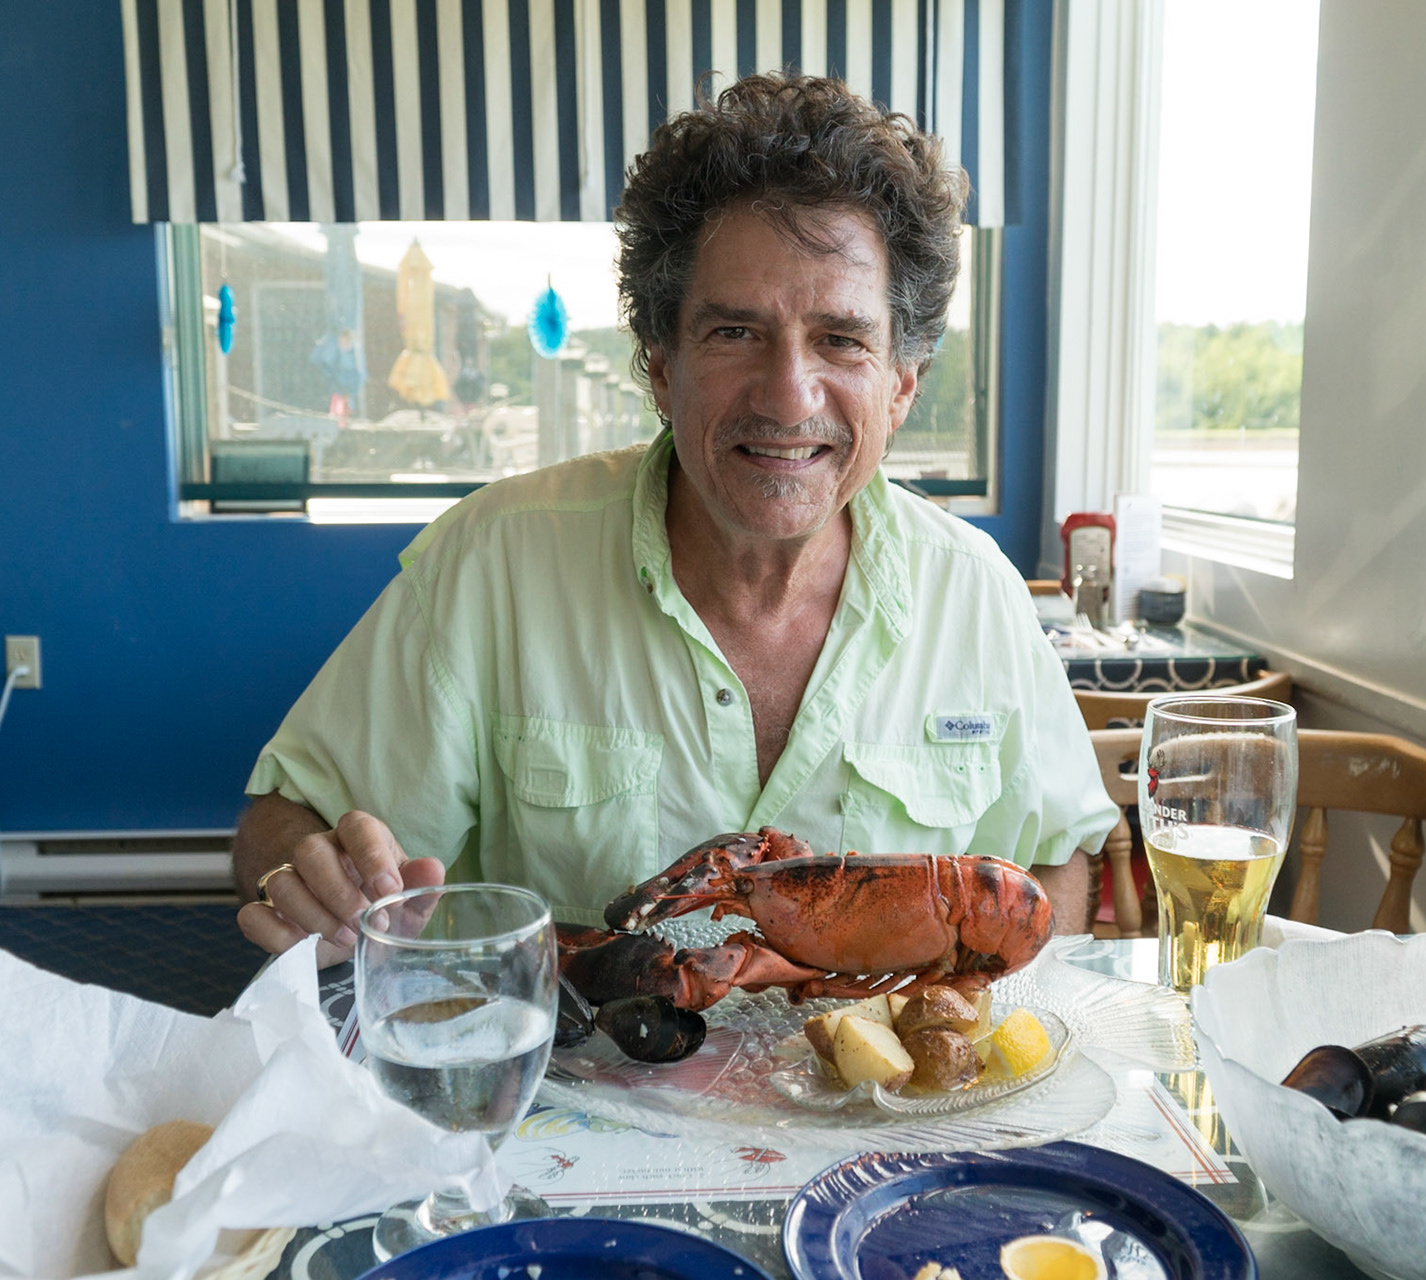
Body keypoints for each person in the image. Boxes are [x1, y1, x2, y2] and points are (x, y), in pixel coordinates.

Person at [234, 73, 1120, 967]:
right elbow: (287, 816)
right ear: (660, 365)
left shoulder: (979, 596)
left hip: (885, 1110)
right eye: (734, 333)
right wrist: (315, 881)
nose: (788, 395)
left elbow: (1060, 855)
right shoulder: (492, 560)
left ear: (902, 384)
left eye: (842, 340)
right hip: (558, 1099)